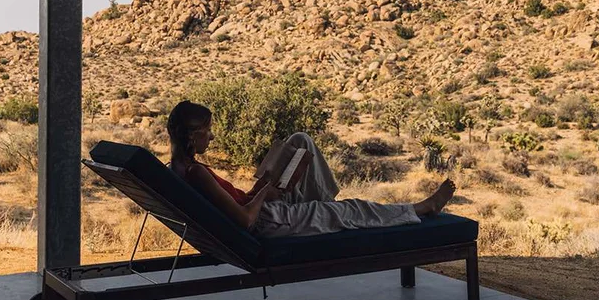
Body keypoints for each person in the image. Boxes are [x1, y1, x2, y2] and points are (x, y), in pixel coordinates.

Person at [166, 100, 455, 238]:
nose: (211, 137)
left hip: (265, 211)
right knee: (354, 209)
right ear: (192, 136)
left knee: (300, 141)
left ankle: (325, 211)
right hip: (269, 222)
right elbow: (244, 220)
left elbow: (236, 205)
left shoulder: (177, 169)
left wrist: (260, 188)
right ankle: (421, 208)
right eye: (207, 131)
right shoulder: (196, 173)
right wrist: (266, 190)